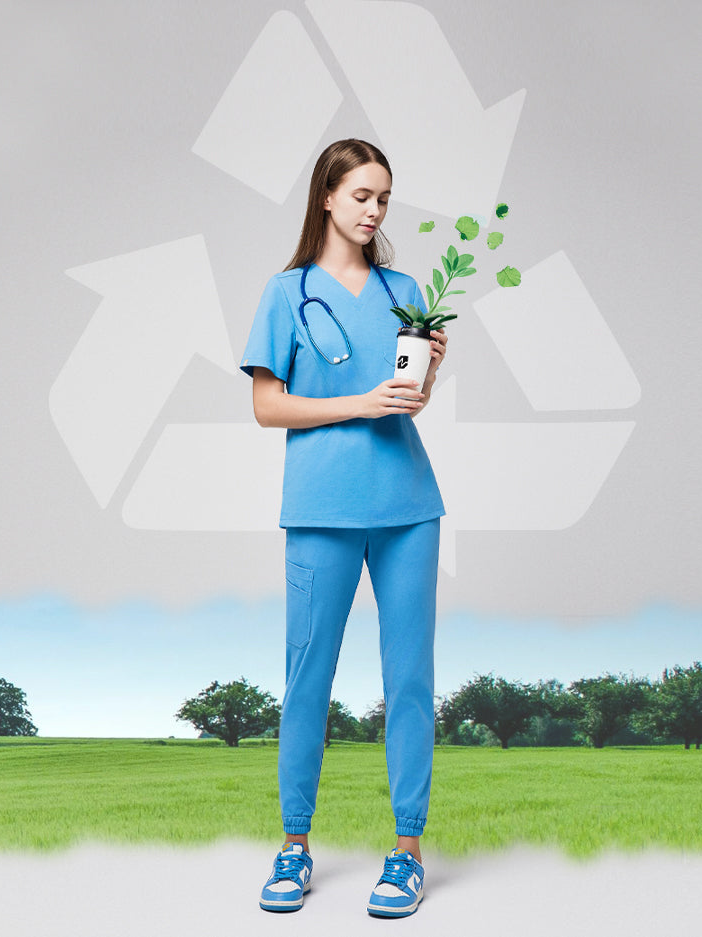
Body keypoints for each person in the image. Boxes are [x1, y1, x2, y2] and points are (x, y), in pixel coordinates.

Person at [239, 138, 446, 918]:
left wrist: (426, 372)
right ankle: (293, 844)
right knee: (306, 682)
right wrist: (358, 401)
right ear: (326, 197)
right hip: (321, 508)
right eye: (361, 194)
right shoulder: (284, 292)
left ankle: (407, 850)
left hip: (407, 506)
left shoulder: (405, 288)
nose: (374, 210)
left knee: (410, 682)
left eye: (384, 198)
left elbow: (407, 399)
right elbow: (267, 405)